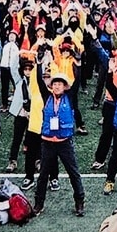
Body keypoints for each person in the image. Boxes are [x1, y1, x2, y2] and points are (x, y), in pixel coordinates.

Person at [33, 66, 86, 218]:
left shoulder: (70, 97)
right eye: (55, 84)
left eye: (60, 84)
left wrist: (78, 64)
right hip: (47, 143)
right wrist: (39, 64)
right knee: (43, 175)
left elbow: (77, 81)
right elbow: (39, 81)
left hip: (64, 143)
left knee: (73, 173)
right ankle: (39, 203)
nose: (57, 86)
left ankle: (79, 201)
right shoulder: (46, 96)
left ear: (64, 86)